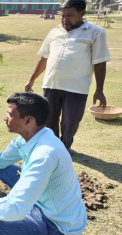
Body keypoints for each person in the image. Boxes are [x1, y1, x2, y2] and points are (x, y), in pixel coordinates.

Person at [0, 92, 87, 235]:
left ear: (28, 120)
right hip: (43, 202)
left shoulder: (45, 155)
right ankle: (27, 202)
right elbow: (1, 159)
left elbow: (16, 207)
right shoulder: (34, 136)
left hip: (57, 223)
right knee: (4, 168)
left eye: (10, 114)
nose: (5, 118)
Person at [25, 0, 110, 154]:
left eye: (70, 15)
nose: (65, 19)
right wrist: (32, 79)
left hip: (77, 87)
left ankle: (65, 147)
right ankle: (52, 147)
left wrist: (99, 90)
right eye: (62, 15)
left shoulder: (95, 33)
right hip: (51, 84)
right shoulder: (54, 32)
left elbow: (100, 63)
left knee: (70, 121)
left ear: (82, 13)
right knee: (49, 119)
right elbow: (44, 58)